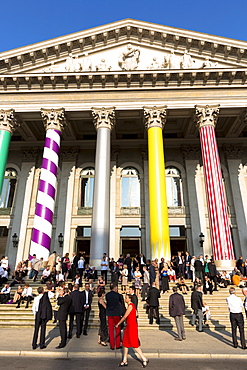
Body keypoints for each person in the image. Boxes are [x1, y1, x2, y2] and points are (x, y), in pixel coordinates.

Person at [115, 294, 149, 367]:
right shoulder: (132, 306)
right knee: (125, 343)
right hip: (130, 326)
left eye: (126, 298)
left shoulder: (130, 306)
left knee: (134, 344)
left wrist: (118, 323)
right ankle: (124, 360)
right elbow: (136, 314)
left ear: (129, 299)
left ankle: (144, 358)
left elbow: (125, 316)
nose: (125, 299)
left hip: (131, 327)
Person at [105, 283, 123, 350]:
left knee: (111, 330)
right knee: (117, 329)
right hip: (117, 313)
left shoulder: (107, 295)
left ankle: (112, 345)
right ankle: (118, 344)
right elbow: (120, 303)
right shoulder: (118, 295)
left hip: (110, 313)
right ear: (115, 288)